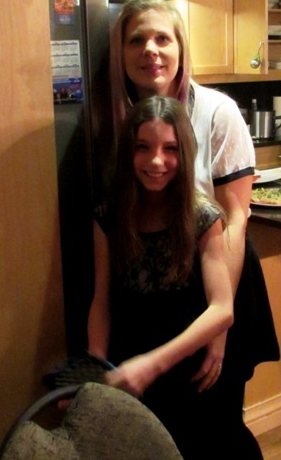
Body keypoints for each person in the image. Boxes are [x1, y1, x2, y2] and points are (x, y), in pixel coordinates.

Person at [103, 0, 278, 458]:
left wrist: (220, 328)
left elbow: (236, 219)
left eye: (163, 38)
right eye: (137, 40)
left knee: (216, 427)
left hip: (217, 282)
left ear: (181, 48)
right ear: (121, 53)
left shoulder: (218, 112)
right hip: (156, 290)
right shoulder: (118, 117)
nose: (150, 50)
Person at [88, 96, 236, 458]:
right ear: (128, 152)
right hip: (128, 361)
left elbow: (222, 309)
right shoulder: (109, 215)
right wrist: (94, 370)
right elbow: (101, 301)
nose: (156, 161)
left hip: (185, 364)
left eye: (170, 149)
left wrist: (153, 365)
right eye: (143, 147)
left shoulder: (203, 216)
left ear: (184, 153)